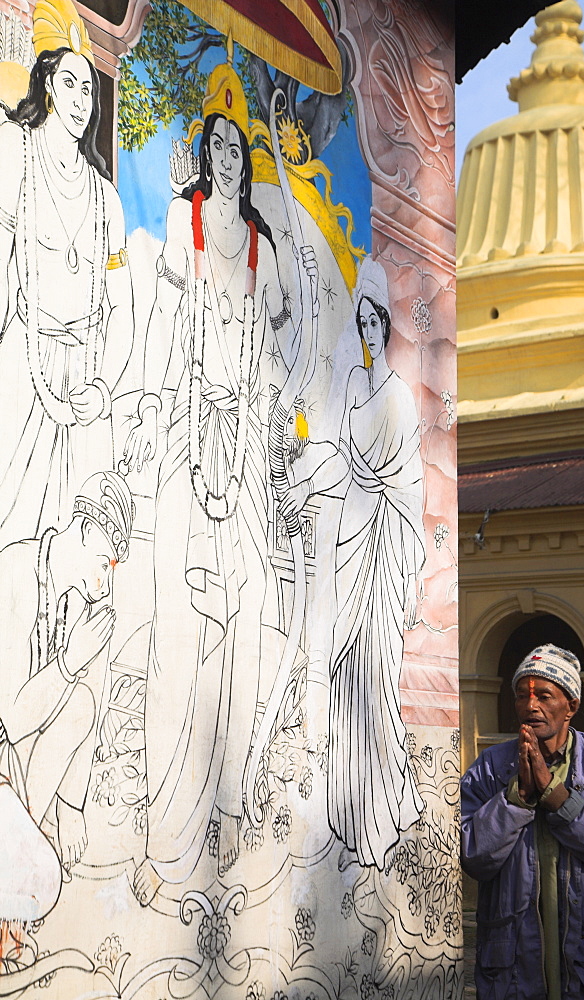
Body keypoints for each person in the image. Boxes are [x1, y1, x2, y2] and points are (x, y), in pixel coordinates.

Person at [124, 59, 318, 905]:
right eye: (220, 144)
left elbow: (284, 334)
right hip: (191, 433)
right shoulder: (186, 219)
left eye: (242, 146)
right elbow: (165, 306)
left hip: (247, 442)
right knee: (183, 623)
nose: (231, 155)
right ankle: (173, 814)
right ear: (204, 155)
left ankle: (236, 796)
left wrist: (278, 436)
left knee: (251, 621)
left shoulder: (263, 243)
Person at [280, 258, 425, 869]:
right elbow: (333, 454)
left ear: (387, 327)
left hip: (381, 554)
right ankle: (347, 817)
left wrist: (393, 545)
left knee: (373, 687)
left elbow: (408, 486)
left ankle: (382, 819)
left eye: (375, 321)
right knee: (342, 685)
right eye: (360, 319)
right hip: (346, 548)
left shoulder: (398, 397)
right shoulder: (349, 391)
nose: (367, 329)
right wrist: (300, 477)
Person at [0, 0, 133, 548]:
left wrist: (103, 386)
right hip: (22, 368)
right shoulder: (14, 155)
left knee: (77, 553)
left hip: (86, 387)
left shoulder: (107, 201)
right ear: (49, 85)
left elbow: (123, 309)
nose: (82, 101)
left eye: (90, 90)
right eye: (72, 84)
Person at [461, 643, 584, 1000]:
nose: (530, 706)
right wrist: (517, 797)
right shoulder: (490, 767)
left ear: (571, 706)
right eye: (522, 696)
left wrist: (556, 795)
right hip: (513, 971)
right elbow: (472, 854)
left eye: (544, 696)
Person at [0, 470, 134, 878]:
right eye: (105, 565)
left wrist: (72, 807)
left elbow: (87, 705)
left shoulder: (82, 605)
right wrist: (68, 663)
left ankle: (20, 843)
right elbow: (12, 720)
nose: (106, 584)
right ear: (86, 531)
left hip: (19, 763)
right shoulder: (15, 569)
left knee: (80, 703)